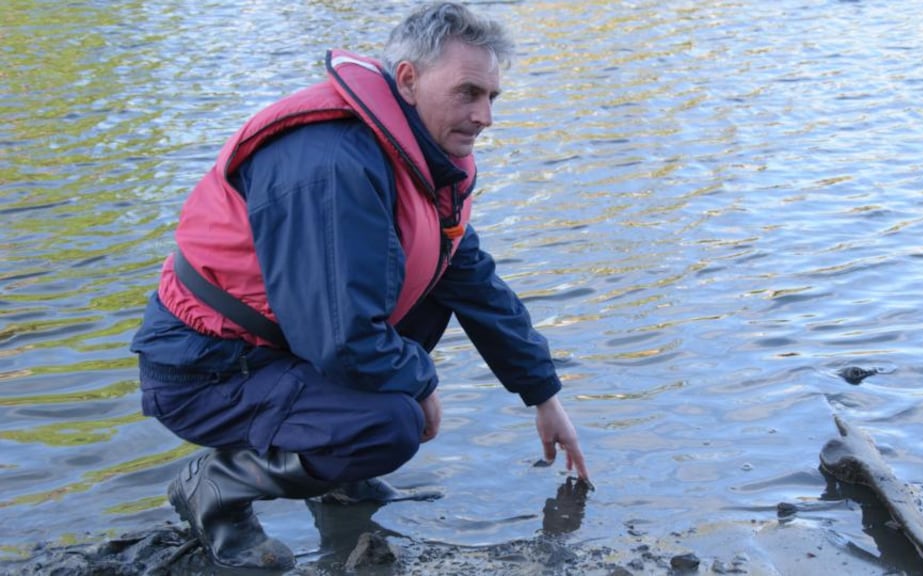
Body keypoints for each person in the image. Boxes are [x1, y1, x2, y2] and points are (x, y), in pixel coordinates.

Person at [130, 2, 589, 571]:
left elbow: (476, 284)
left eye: (492, 97)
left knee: (427, 306)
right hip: (207, 370)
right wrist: (420, 385)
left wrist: (544, 397)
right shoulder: (331, 164)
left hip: (276, 350)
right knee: (392, 423)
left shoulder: (421, 159)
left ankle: (339, 482)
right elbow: (341, 340)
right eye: (468, 92)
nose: (484, 116)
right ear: (408, 80)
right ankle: (217, 486)